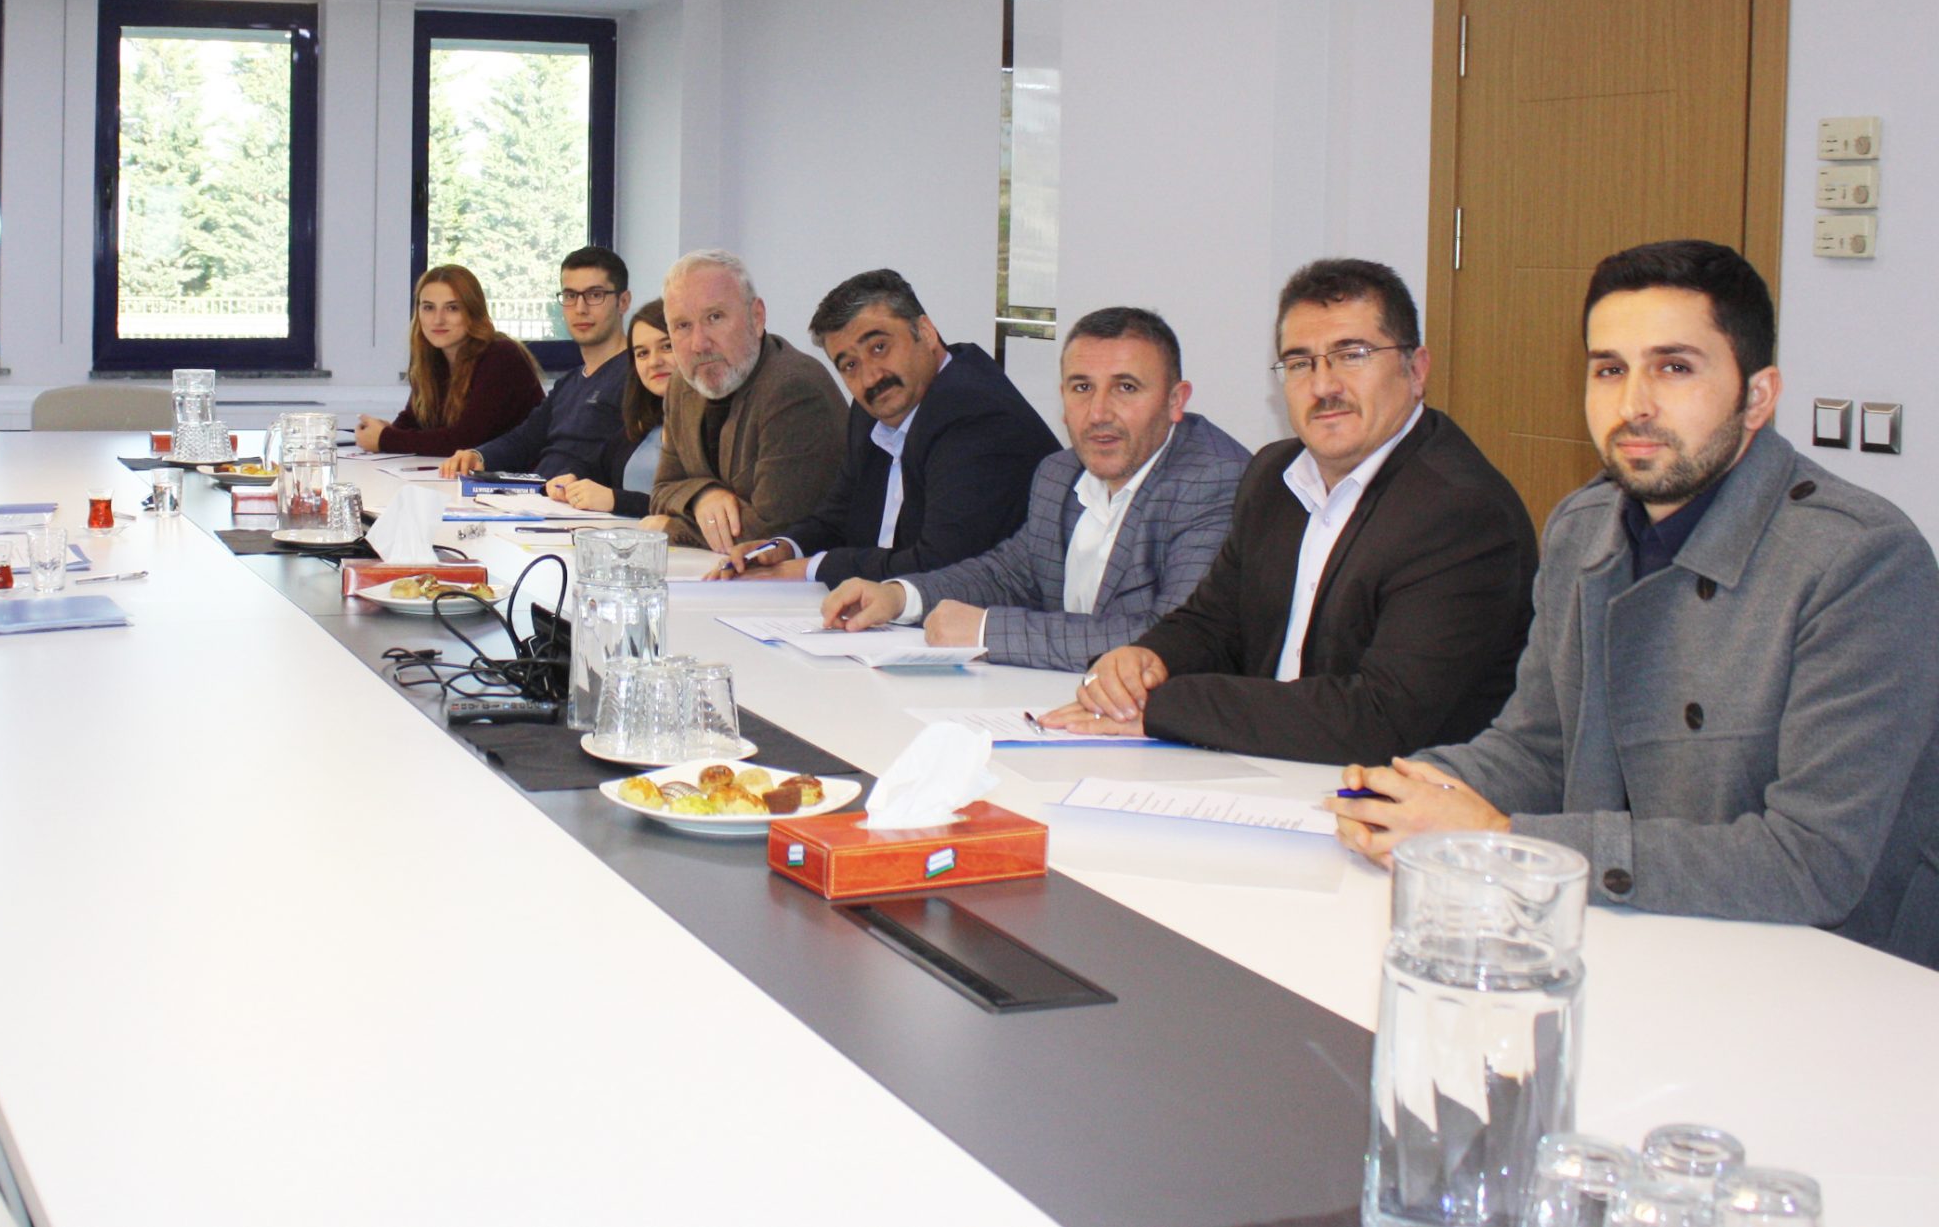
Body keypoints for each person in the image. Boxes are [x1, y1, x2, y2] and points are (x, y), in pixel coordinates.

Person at [1330, 241, 1939, 965]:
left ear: (1758, 396)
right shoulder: (1582, 527)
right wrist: (1408, 791)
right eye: (1609, 369)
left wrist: (1500, 839)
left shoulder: (1859, 559)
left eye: (1674, 367)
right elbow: (1539, 747)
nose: (1633, 404)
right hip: (1637, 930)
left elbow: (1812, 863)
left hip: (1830, 971)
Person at [1039, 258, 1536, 765]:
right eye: (1300, 364)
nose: (1323, 387)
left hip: (1394, 793)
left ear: (1416, 370)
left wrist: (1164, 706)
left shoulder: (1460, 511)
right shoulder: (1274, 474)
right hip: (1267, 769)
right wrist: (1146, 659)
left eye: (1352, 355)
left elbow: (1379, 718)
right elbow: (1214, 623)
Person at [820, 307, 1249, 669]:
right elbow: (1010, 574)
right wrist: (901, 597)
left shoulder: (1214, 481)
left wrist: (987, 631)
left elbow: (1170, 638)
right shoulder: (1060, 473)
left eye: (1126, 388)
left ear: (1176, 401)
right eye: (1082, 388)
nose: (1098, 413)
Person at [714, 270, 1057, 584]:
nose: (870, 377)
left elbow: (941, 567)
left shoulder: (977, 418)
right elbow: (837, 516)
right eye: (850, 365)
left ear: (926, 332)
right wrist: (783, 548)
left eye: (879, 347)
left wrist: (809, 569)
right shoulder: (874, 411)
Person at [646, 250, 848, 551]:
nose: (699, 344)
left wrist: (669, 527)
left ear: (757, 317)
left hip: (805, 576)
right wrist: (703, 495)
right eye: (682, 326)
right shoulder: (682, 385)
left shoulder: (794, 390)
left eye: (714, 317)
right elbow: (662, 491)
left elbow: (772, 533)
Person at [438, 247, 630, 483]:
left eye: (595, 295)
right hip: (540, 494)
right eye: (570, 296)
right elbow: (525, 440)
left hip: (579, 500)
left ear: (623, 302)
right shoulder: (569, 383)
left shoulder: (637, 375)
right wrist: (477, 456)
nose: (580, 309)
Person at [355, 264, 545, 456]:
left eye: (452, 308)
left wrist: (386, 438)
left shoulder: (502, 356)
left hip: (525, 472)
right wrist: (384, 431)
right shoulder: (433, 357)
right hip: (469, 471)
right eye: (428, 307)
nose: (438, 320)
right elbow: (412, 422)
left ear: (473, 312)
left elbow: (465, 440)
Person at [545, 299, 673, 518]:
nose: (654, 362)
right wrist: (572, 478)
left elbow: (689, 509)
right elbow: (595, 467)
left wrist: (616, 500)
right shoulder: (643, 424)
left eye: (667, 347)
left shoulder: (712, 426)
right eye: (642, 353)